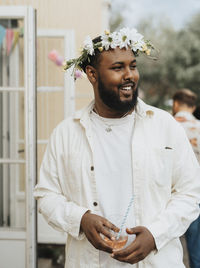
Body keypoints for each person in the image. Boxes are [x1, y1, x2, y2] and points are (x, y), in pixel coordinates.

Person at [34, 28, 200, 268]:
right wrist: (81, 219)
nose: (129, 75)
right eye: (117, 68)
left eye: (133, 66)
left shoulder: (166, 126)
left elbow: (190, 193)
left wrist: (155, 235)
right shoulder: (66, 133)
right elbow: (45, 195)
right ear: (91, 74)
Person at [173, 88, 200, 268]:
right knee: (196, 247)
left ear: (175, 104)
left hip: (171, 193)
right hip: (197, 192)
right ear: (193, 106)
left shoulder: (168, 126)